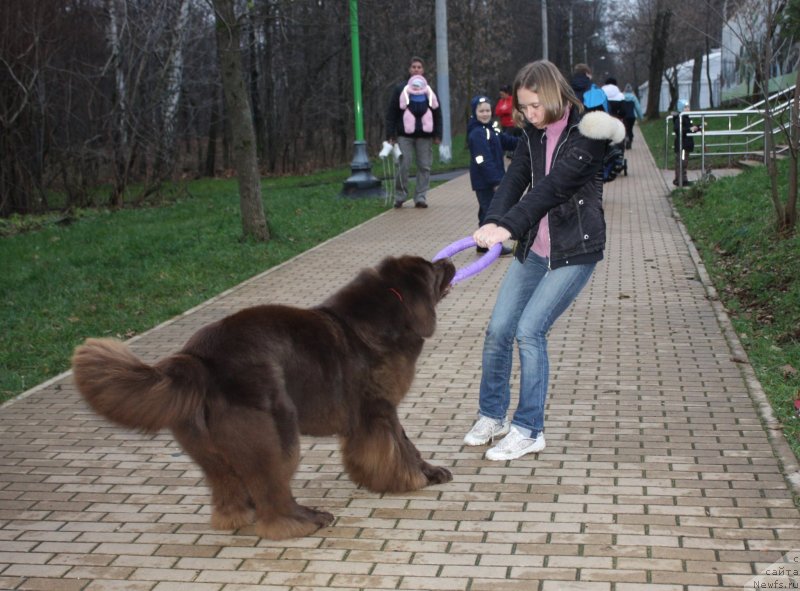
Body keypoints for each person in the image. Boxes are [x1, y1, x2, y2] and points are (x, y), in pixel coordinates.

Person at [463, 60, 625, 461]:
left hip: (574, 251)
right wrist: (492, 223)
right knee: (499, 328)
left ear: (553, 95)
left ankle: (529, 428)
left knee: (530, 330)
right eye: (524, 107)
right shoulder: (532, 134)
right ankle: (492, 415)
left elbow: (551, 189)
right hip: (537, 249)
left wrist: (509, 227)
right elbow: (515, 180)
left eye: (534, 106)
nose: (529, 115)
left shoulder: (588, 134)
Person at [385, 57, 442, 209]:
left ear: (423, 70)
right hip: (404, 135)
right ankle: (400, 196)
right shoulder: (400, 89)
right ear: (409, 70)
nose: (416, 69)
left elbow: (437, 113)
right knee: (403, 164)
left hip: (425, 136)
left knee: (424, 166)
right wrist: (390, 134)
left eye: (419, 67)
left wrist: (438, 134)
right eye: (413, 67)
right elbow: (392, 113)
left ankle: (420, 197)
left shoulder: (429, 90)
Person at [467, 94, 518, 256]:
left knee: (485, 211)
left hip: (491, 179)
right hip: (485, 182)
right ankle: (493, 244)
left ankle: (483, 244)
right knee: (492, 213)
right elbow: (483, 160)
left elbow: (506, 140)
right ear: (474, 113)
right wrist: (495, 181)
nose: (485, 114)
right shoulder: (477, 133)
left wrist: (524, 141)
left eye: (487, 110)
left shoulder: (490, 129)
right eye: (481, 111)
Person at [672, 98, 700, 186]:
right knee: (681, 163)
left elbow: (689, 129)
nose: (688, 109)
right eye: (685, 107)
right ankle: (680, 180)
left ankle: (683, 179)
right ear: (681, 109)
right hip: (682, 146)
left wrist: (697, 128)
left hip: (686, 145)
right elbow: (678, 129)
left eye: (688, 107)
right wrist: (689, 129)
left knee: (684, 163)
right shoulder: (679, 118)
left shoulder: (687, 118)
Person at [621, 83, 643, 149]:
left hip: (624, 117)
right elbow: (638, 108)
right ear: (631, 90)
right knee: (630, 129)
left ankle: (626, 137)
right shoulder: (634, 98)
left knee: (625, 129)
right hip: (632, 116)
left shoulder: (622, 97)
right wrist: (641, 117)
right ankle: (630, 140)